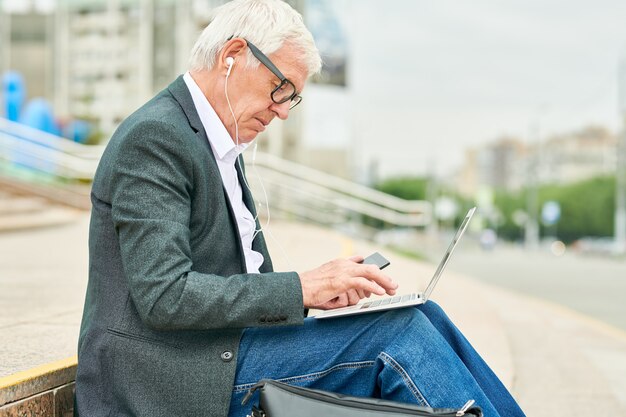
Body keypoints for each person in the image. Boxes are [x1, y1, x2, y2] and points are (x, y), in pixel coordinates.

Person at [74, 1, 526, 416]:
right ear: (232, 54)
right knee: (399, 334)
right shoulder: (156, 138)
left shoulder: (214, 140)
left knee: (425, 315)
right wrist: (301, 289)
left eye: (291, 96)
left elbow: (229, 283)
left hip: (219, 353)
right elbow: (165, 296)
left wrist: (318, 294)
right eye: (280, 87)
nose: (283, 110)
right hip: (168, 378)